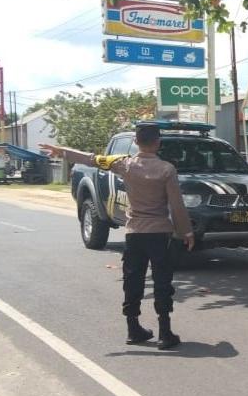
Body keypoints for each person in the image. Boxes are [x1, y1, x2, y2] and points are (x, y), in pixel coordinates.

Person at [39, 123, 194, 350]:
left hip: (134, 234)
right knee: (162, 281)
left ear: (135, 142)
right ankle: (164, 332)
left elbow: (92, 159)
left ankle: (133, 329)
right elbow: (176, 205)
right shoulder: (167, 169)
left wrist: (62, 151)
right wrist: (186, 231)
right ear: (158, 142)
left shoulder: (124, 164)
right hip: (159, 233)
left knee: (133, 280)